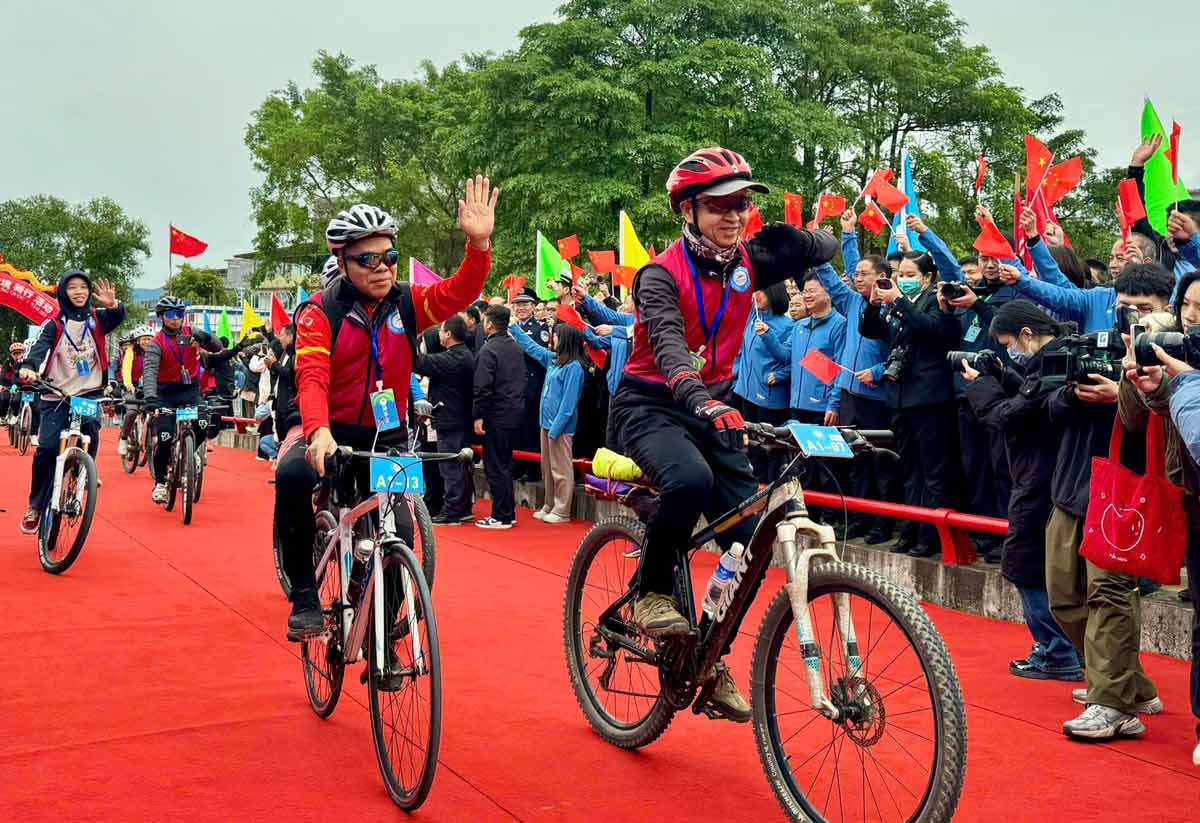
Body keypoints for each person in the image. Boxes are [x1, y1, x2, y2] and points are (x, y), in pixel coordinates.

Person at [609, 146, 837, 721]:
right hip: (653, 403)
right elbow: (667, 345)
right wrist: (697, 396)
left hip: (716, 407)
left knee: (751, 536)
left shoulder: (748, 261)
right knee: (690, 481)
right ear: (687, 210)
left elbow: (827, 246)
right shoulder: (659, 275)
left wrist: (801, 240)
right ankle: (652, 592)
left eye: (741, 204)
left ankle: (709, 657)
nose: (733, 215)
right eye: (718, 206)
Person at [277, 178, 499, 640]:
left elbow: (460, 292)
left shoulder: (408, 301)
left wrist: (478, 246)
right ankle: (304, 595)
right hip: (331, 430)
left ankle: (379, 639)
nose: (382, 268)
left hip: (388, 433)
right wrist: (318, 432)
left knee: (400, 533)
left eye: (390, 257)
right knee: (292, 476)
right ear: (342, 261)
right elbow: (311, 377)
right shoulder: (318, 312)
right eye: (368, 259)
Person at [1044, 264, 1174, 740]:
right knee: (1063, 596)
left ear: (1166, 311)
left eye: (1144, 309)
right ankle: (1128, 683)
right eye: (1125, 309)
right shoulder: (1093, 347)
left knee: (1110, 594)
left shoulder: (1172, 356)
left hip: (1126, 493)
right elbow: (1046, 409)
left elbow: (1154, 422)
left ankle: (1112, 702)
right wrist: (1075, 393)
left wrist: (1121, 392)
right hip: (1074, 486)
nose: (1132, 319)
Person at [960, 301, 1084, 681]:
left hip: (1041, 480)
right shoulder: (1059, 359)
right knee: (1048, 566)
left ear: (1026, 334)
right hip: (1056, 478)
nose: (1008, 350)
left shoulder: (1054, 365)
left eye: (1007, 344)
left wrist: (981, 385)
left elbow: (1009, 416)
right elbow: (1032, 402)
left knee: (1023, 565)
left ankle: (1057, 651)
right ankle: (1068, 648)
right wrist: (1004, 374)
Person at [1121, 269, 1200, 766]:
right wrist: (1152, 388)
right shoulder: (1172, 351)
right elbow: (1143, 416)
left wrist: (1183, 385)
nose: (1191, 317)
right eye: (1187, 305)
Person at [860, 251, 960, 557]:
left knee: (933, 471)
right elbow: (872, 331)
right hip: (900, 398)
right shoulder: (897, 305)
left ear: (927, 277)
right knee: (910, 468)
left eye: (909, 274)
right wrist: (873, 305)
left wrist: (899, 301)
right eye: (899, 274)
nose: (902, 279)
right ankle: (911, 529)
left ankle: (932, 536)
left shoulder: (936, 300)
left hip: (929, 398)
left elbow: (932, 330)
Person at [18, 270, 124, 534]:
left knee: (91, 430)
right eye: (72, 287)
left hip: (88, 393)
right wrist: (29, 367)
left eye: (83, 287)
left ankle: (82, 473)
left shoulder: (97, 319)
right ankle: (35, 506)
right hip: (56, 394)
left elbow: (116, 317)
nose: (79, 292)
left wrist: (113, 305)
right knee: (47, 448)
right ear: (63, 292)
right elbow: (38, 349)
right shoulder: (53, 324)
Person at [815, 212, 897, 543]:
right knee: (853, 460)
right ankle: (858, 519)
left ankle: (882, 522)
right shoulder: (851, 302)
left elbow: (902, 353)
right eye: (857, 274)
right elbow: (833, 277)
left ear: (882, 277)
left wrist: (876, 372)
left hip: (876, 398)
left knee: (879, 462)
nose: (857, 278)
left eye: (864, 274)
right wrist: (833, 240)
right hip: (849, 395)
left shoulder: (894, 308)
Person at [142, 296, 224, 502]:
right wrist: (150, 398)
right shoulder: (156, 343)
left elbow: (217, 348)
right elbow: (150, 371)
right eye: (171, 314)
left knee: (203, 422)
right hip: (165, 396)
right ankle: (160, 483)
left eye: (180, 314)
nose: (176, 318)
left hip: (190, 392)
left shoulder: (191, 333)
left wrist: (205, 338)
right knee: (165, 437)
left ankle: (190, 451)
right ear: (161, 317)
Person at [510, 318, 589, 523]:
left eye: (557, 336)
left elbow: (568, 404)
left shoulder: (574, 367)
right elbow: (532, 348)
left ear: (566, 340)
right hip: (545, 423)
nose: (553, 339)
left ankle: (562, 509)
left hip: (561, 427)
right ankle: (549, 503)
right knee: (547, 468)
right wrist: (514, 327)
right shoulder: (554, 359)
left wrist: (556, 428)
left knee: (561, 469)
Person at [413, 314, 476, 525]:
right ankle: (462, 508)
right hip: (457, 417)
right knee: (459, 465)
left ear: (448, 334)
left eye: (441, 330)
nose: (439, 333)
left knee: (451, 466)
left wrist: (404, 340)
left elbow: (421, 362)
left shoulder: (455, 358)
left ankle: (453, 511)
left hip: (452, 419)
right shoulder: (462, 355)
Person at [472, 304, 526, 529]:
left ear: (490, 324)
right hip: (514, 411)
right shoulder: (515, 347)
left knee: (495, 466)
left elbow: (482, 386)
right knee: (505, 464)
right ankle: (507, 512)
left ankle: (501, 515)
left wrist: (478, 415)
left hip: (496, 414)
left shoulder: (489, 350)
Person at [732, 283, 792, 482]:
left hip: (769, 398)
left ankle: (769, 487)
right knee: (750, 445)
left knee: (770, 449)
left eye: (762, 291)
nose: (756, 295)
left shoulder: (787, 326)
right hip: (745, 394)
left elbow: (787, 358)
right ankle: (754, 486)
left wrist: (768, 336)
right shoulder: (752, 316)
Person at [511, 286, 549, 480]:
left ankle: (532, 471)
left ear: (533, 307)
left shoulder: (540, 329)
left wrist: (517, 333)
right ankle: (517, 467)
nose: (521, 308)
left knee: (530, 427)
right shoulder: (510, 328)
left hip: (532, 385)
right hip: (514, 385)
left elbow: (537, 353)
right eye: (517, 304)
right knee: (516, 426)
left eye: (525, 304)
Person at [117, 324, 155, 456]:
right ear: (137, 340)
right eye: (144, 339)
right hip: (131, 386)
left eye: (149, 339)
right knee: (132, 411)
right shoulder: (130, 352)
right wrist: (128, 384)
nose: (147, 342)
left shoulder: (155, 352)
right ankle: (123, 438)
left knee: (156, 410)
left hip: (148, 386)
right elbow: (126, 369)